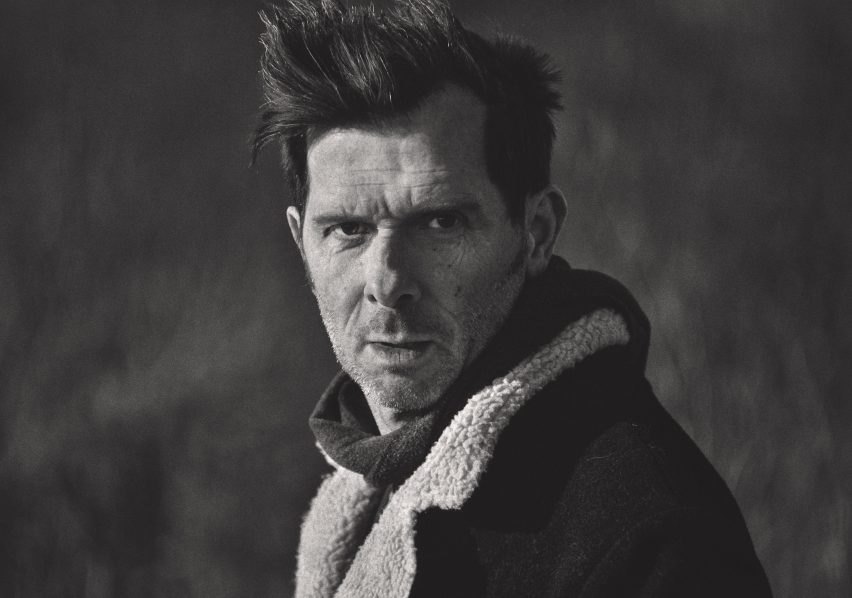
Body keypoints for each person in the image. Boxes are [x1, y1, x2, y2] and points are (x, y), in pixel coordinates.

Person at [252, 1, 772, 596]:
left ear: (536, 233)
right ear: (301, 242)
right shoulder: (364, 494)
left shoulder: (651, 537)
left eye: (441, 222)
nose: (387, 282)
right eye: (348, 229)